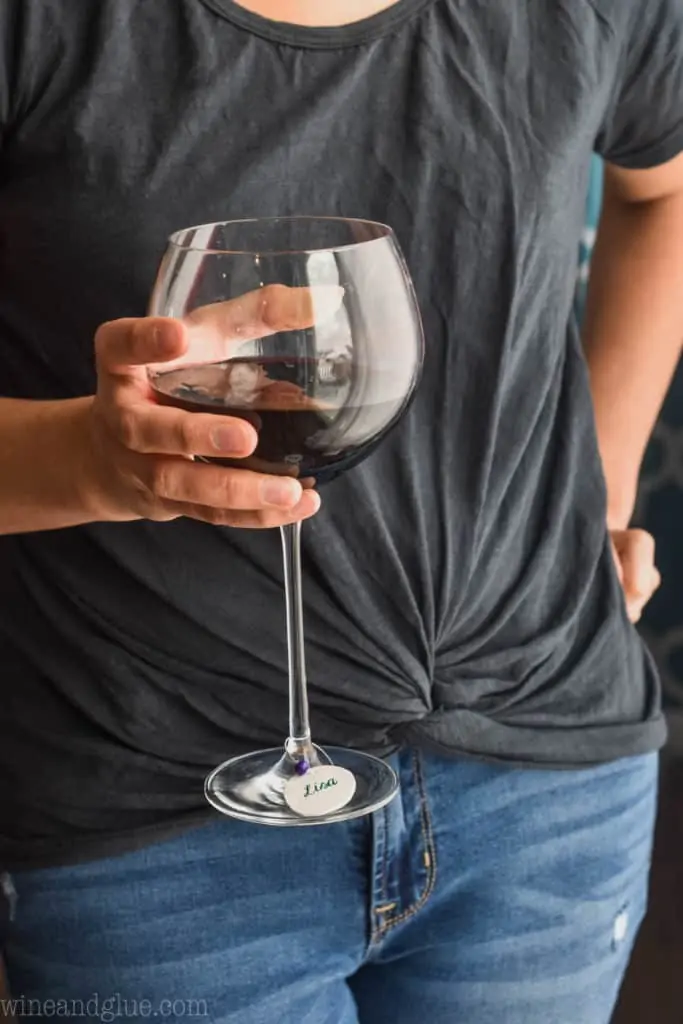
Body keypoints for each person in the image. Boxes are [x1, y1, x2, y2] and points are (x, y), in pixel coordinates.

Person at [0, 0, 681, 1021]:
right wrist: (92, 462)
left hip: (548, 785)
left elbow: (661, 190)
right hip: (148, 830)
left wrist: (603, 483)